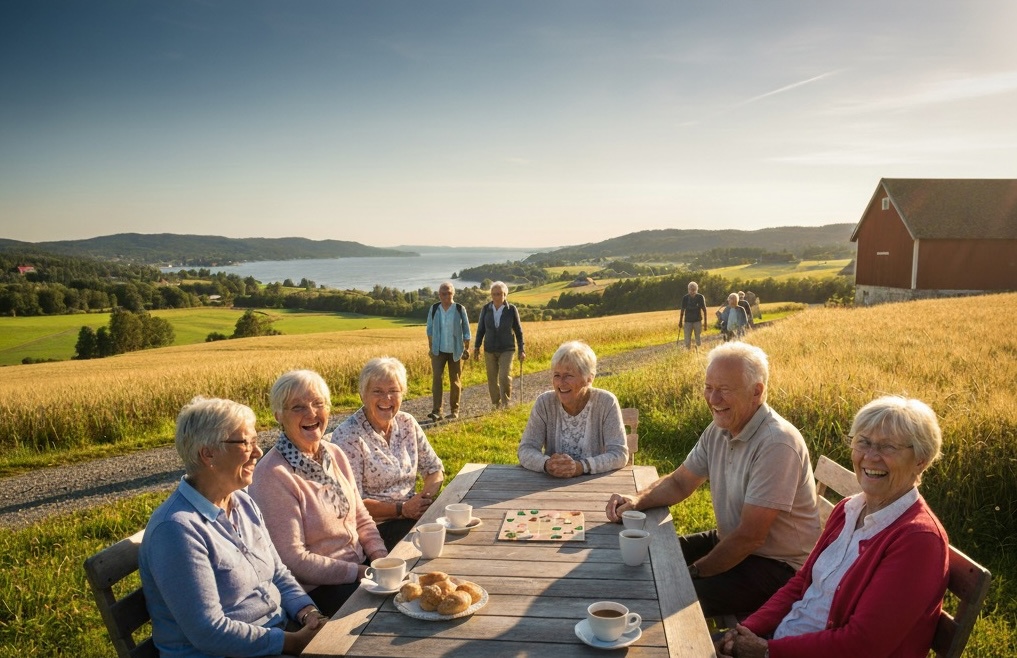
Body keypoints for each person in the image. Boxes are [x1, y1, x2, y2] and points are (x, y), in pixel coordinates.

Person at [716, 396, 950, 658]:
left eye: (888, 447)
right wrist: (747, 629)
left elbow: (863, 645)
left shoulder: (918, 541)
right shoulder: (849, 509)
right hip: (782, 639)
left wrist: (767, 651)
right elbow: (802, 582)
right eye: (863, 442)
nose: (870, 456)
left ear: (921, 460)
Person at [605, 342, 821, 617]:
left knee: (666, 592)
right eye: (708, 387)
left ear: (757, 391)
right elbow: (681, 482)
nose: (713, 398)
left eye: (724, 389)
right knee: (650, 553)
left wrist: (693, 572)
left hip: (778, 568)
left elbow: (751, 537)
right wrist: (637, 500)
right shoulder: (721, 428)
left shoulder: (777, 443)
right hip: (730, 541)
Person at [139, 396, 327, 658]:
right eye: (245, 443)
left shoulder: (241, 501)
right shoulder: (176, 530)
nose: (258, 452)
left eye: (256, 441)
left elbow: (278, 573)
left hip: (276, 636)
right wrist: (292, 643)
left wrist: (308, 613)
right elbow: (208, 631)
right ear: (208, 454)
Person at [249, 370, 388, 617]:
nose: (311, 413)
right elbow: (294, 560)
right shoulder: (273, 475)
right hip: (319, 590)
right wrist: (359, 572)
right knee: (388, 612)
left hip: (359, 570)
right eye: (298, 407)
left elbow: (361, 517)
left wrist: (381, 560)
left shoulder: (334, 453)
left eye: (318, 404)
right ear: (278, 415)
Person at [331, 357, 445, 549]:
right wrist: (402, 509)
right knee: (431, 546)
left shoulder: (407, 423)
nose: (387, 398)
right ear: (363, 394)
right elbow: (352, 503)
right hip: (373, 529)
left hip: (411, 517)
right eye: (377, 391)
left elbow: (434, 470)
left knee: (456, 532)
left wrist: (421, 501)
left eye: (394, 391)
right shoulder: (348, 436)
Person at [518, 340, 629, 477]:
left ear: (589, 378)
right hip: (551, 483)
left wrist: (581, 467)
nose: (561, 383)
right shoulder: (544, 403)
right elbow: (526, 449)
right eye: (557, 375)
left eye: (568, 376)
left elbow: (619, 454)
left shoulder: (606, 402)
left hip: (594, 483)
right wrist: (547, 464)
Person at [473, 281, 526, 409]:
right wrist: (477, 347)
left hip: (507, 348)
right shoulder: (486, 309)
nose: (496, 296)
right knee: (492, 379)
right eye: (494, 294)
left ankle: (506, 403)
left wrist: (521, 349)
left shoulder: (511, 309)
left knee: (504, 377)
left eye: (499, 294)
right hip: (489, 348)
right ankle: (496, 404)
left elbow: (518, 330)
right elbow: (481, 329)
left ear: (505, 294)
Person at [425, 281, 471, 421]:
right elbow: (429, 330)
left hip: (456, 350)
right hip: (438, 350)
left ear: (453, 294)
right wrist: (431, 348)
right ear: (439, 295)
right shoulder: (434, 309)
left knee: (455, 381)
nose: (446, 296)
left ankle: (454, 411)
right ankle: (437, 411)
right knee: (437, 380)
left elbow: (466, 331)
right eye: (443, 293)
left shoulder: (459, 309)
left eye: (449, 293)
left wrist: (467, 348)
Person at [679, 281, 708, 350]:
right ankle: (688, 351)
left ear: (696, 290)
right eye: (691, 290)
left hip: (697, 321)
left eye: (694, 290)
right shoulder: (685, 298)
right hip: (687, 321)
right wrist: (680, 321)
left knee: (698, 338)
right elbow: (682, 310)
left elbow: (704, 310)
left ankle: (699, 351)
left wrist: (705, 323)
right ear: (688, 290)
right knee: (687, 339)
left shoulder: (700, 297)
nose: (692, 292)